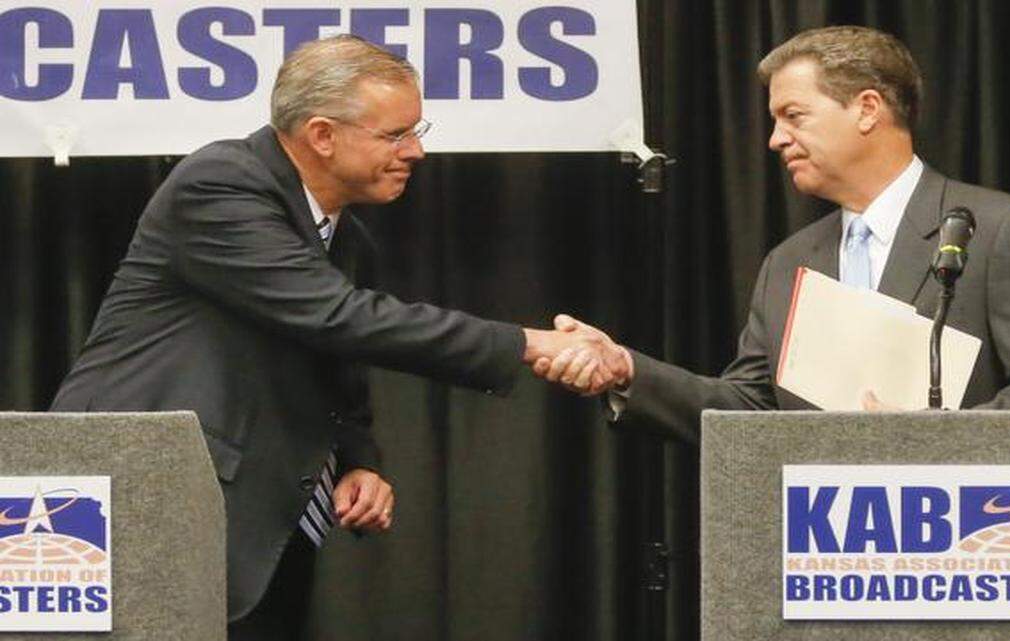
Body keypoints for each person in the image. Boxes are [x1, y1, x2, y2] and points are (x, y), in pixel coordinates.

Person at [50, 35, 621, 638]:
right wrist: (530, 344)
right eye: (395, 134)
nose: (417, 151)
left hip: (257, 520)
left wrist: (356, 461)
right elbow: (337, 317)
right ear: (322, 135)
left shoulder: (345, 239)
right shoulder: (219, 184)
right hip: (138, 496)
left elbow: (333, 362)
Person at [536, 25, 1010, 443]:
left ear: (867, 109)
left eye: (793, 116)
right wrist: (627, 369)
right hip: (822, 561)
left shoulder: (997, 231)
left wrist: (932, 440)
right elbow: (750, 407)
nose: (775, 139)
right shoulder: (790, 262)